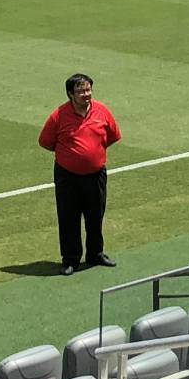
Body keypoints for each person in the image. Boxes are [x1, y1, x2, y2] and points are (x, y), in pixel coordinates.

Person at [38, 73, 119, 275]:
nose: (86, 94)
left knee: (95, 215)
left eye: (88, 89)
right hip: (68, 177)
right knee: (68, 217)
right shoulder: (59, 116)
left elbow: (112, 136)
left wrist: (92, 153)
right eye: (81, 91)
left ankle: (95, 254)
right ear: (70, 94)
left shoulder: (102, 111)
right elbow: (45, 141)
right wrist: (71, 155)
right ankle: (70, 259)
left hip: (96, 175)